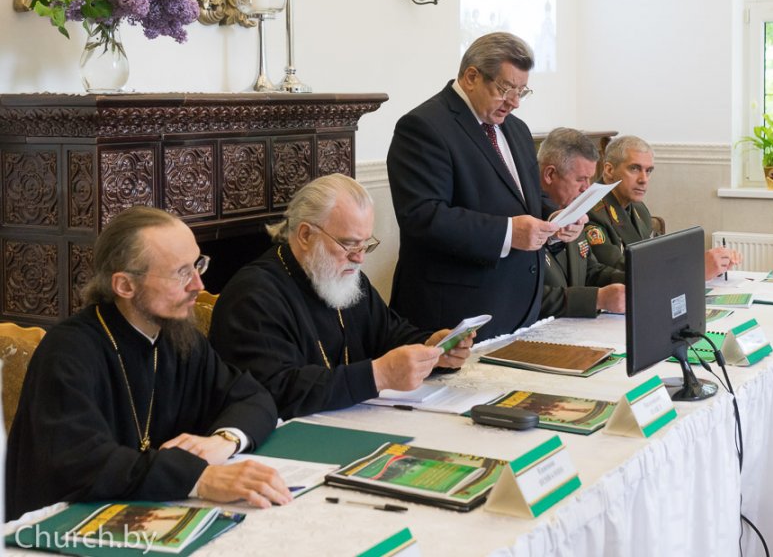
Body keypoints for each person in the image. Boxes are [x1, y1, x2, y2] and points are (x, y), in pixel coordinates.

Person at [6, 207, 292, 521]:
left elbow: (253, 397)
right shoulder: (69, 351)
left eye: (197, 264)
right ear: (125, 286)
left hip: (146, 510)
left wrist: (223, 441)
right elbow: (82, 462)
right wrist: (199, 478)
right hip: (64, 523)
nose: (198, 284)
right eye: (181, 273)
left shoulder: (177, 338)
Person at [208, 174, 473, 420]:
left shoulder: (345, 279)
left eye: (365, 244)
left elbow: (390, 334)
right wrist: (377, 376)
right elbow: (275, 391)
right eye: (348, 244)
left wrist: (432, 349)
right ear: (305, 235)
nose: (359, 258)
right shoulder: (254, 296)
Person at [387, 31, 583, 340]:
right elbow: (423, 217)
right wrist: (509, 232)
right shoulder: (424, 126)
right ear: (471, 77)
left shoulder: (516, 129)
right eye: (505, 89)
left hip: (520, 311)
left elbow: (526, 200)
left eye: (522, 91)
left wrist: (556, 220)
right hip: (457, 315)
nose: (515, 103)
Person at [586, 135, 741, 280]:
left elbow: (654, 256)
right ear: (609, 170)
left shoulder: (638, 208)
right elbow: (621, 268)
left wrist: (705, 261)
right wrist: (694, 269)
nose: (644, 179)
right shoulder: (591, 212)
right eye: (634, 168)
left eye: (648, 171)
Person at [538, 127, 626, 317]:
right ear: (550, 174)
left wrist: (633, 280)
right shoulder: (524, 221)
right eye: (581, 179)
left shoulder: (573, 211)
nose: (587, 188)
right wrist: (597, 299)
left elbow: (590, 272)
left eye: (590, 179)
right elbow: (524, 299)